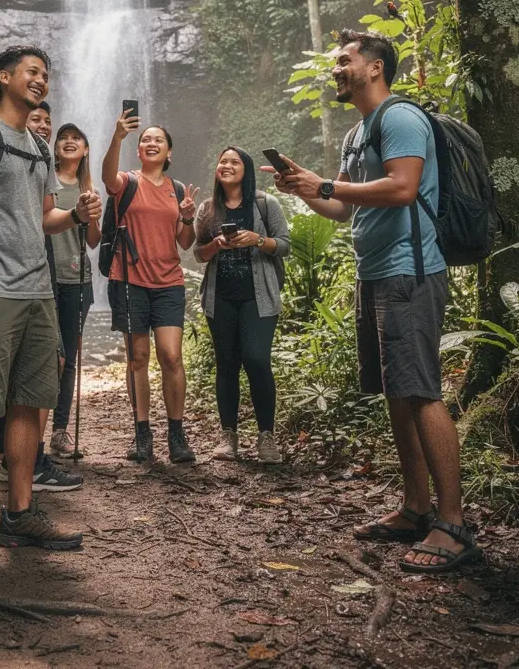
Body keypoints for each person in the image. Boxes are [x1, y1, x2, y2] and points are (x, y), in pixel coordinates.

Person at [265, 29, 478, 573]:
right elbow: (340, 210)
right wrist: (307, 189)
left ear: (375, 67)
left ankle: (452, 524)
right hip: (375, 273)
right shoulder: (357, 133)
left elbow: (404, 187)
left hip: (410, 270)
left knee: (421, 389)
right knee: (396, 392)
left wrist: (329, 188)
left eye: (344, 60)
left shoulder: (401, 117)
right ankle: (414, 507)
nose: (335, 68)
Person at [0, 45, 101, 573]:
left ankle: (19, 514)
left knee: (29, 405)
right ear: (4, 76)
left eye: (46, 75)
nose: (41, 81)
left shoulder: (37, 147)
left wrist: (77, 215)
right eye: (32, 72)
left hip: (39, 293)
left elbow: (43, 218)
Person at [0, 101, 84, 491]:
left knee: (44, 366)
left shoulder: (43, 164)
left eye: (49, 120)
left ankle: (23, 460)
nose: (44, 126)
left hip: (41, 281)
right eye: (36, 120)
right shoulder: (4, 154)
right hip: (6, 280)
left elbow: (47, 222)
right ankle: (18, 462)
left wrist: (78, 215)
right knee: (10, 374)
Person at [101, 112, 199, 464]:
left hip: (168, 282)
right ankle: (142, 433)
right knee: (138, 358)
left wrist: (187, 216)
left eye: (158, 140)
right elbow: (105, 176)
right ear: (139, 149)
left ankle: (177, 432)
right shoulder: (126, 182)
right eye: (146, 139)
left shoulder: (177, 191)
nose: (151, 142)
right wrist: (117, 137)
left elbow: (186, 242)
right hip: (129, 280)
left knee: (171, 356)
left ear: (169, 152)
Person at [193, 147, 290, 463]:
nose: (227, 166)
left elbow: (284, 245)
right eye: (222, 161)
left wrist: (257, 240)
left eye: (234, 162)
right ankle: (228, 436)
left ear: (246, 170)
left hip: (258, 296)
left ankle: (266, 437)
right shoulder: (207, 209)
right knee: (227, 364)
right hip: (220, 297)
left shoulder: (265, 204)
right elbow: (199, 254)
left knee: (257, 359)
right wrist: (215, 244)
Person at [49, 122, 101, 456]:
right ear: (55, 148)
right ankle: (24, 433)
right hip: (42, 278)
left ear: (84, 150)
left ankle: (59, 430)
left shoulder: (90, 188)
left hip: (77, 279)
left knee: (68, 357)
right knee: (47, 357)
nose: (69, 142)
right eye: (64, 138)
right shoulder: (45, 181)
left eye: (76, 139)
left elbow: (94, 241)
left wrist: (91, 213)